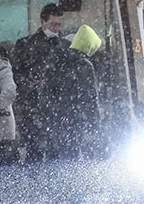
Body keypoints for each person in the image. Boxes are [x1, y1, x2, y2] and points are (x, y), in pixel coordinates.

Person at [38, 25, 102, 161]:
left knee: (53, 161)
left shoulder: (57, 59)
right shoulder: (84, 65)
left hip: (53, 121)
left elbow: (45, 91)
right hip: (74, 121)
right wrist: (95, 123)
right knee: (72, 159)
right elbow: (89, 97)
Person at [11, 3, 67, 160]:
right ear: (43, 21)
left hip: (56, 107)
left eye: (59, 25)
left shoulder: (64, 46)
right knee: (33, 151)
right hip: (32, 106)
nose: (56, 28)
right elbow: (15, 73)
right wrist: (28, 82)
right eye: (53, 24)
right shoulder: (25, 45)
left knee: (56, 153)